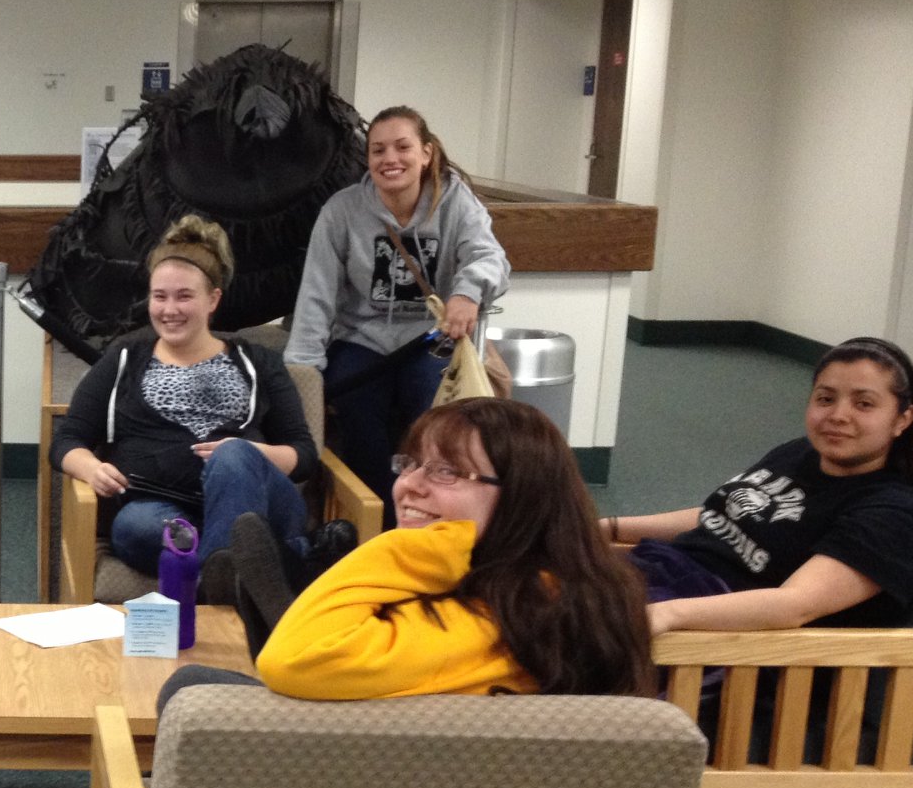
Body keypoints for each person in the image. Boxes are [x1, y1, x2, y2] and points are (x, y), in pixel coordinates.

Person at [164, 398, 651, 704]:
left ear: (522, 494)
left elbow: (294, 660)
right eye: (411, 464)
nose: (409, 485)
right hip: (414, 753)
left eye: (446, 472)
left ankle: (297, 602)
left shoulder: (516, 612)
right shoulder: (536, 584)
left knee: (191, 691)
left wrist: (410, 549)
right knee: (205, 686)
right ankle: (297, 597)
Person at [51, 213, 352, 589]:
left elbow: (304, 455)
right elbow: (67, 440)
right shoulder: (125, 357)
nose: (169, 309)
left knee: (233, 457)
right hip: (158, 511)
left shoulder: (259, 362)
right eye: (159, 296)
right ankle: (275, 562)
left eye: (184, 296)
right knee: (135, 528)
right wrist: (90, 467)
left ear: (213, 299)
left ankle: (222, 576)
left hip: (255, 506)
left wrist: (247, 452)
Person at [609, 337, 913, 632]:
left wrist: (663, 615)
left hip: (716, 633)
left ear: (902, 419)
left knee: (568, 630)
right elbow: (719, 518)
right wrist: (607, 529)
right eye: (825, 399)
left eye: (863, 404)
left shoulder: (894, 517)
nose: (838, 415)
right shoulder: (800, 452)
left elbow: (795, 605)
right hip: (665, 571)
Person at [284, 105, 509, 511]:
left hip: (432, 338)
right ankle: (379, 517)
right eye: (378, 150)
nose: (390, 159)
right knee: (357, 413)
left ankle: (434, 507)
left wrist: (467, 292)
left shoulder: (456, 201)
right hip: (362, 339)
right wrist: (302, 369)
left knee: (434, 413)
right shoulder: (342, 211)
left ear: (425, 153)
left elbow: (490, 257)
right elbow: (316, 294)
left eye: (402, 147)